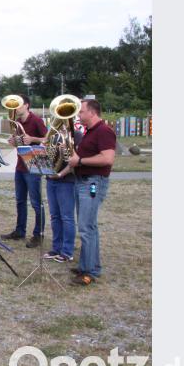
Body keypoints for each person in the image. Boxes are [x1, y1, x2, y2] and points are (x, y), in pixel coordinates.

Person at [66, 99, 116, 286]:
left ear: (92, 113)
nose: (79, 115)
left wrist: (79, 162)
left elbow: (107, 159)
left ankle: (90, 272)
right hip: (83, 182)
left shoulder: (104, 131)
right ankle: (88, 265)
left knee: (87, 228)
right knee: (88, 227)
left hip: (93, 183)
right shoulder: (90, 132)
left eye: (81, 112)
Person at [1, 94, 48, 248]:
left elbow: (48, 139)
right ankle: (20, 231)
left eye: (19, 105)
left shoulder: (36, 120)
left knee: (35, 202)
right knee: (20, 200)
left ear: (27, 105)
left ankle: (38, 234)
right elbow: (19, 144)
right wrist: (14, 141)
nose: (16, 108)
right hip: (20, 166)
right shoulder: (17, 122)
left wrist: (32, 139)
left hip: (33, 166)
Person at [42, 128, 83, 263]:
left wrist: (60, 174)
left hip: (66, 180)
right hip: (51, 179)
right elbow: (47, 155)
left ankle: (67, 251)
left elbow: (74, 162)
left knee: (67, 217)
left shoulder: (76, 135)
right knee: (54, 216)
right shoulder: (52, 135)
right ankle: (56, 248)